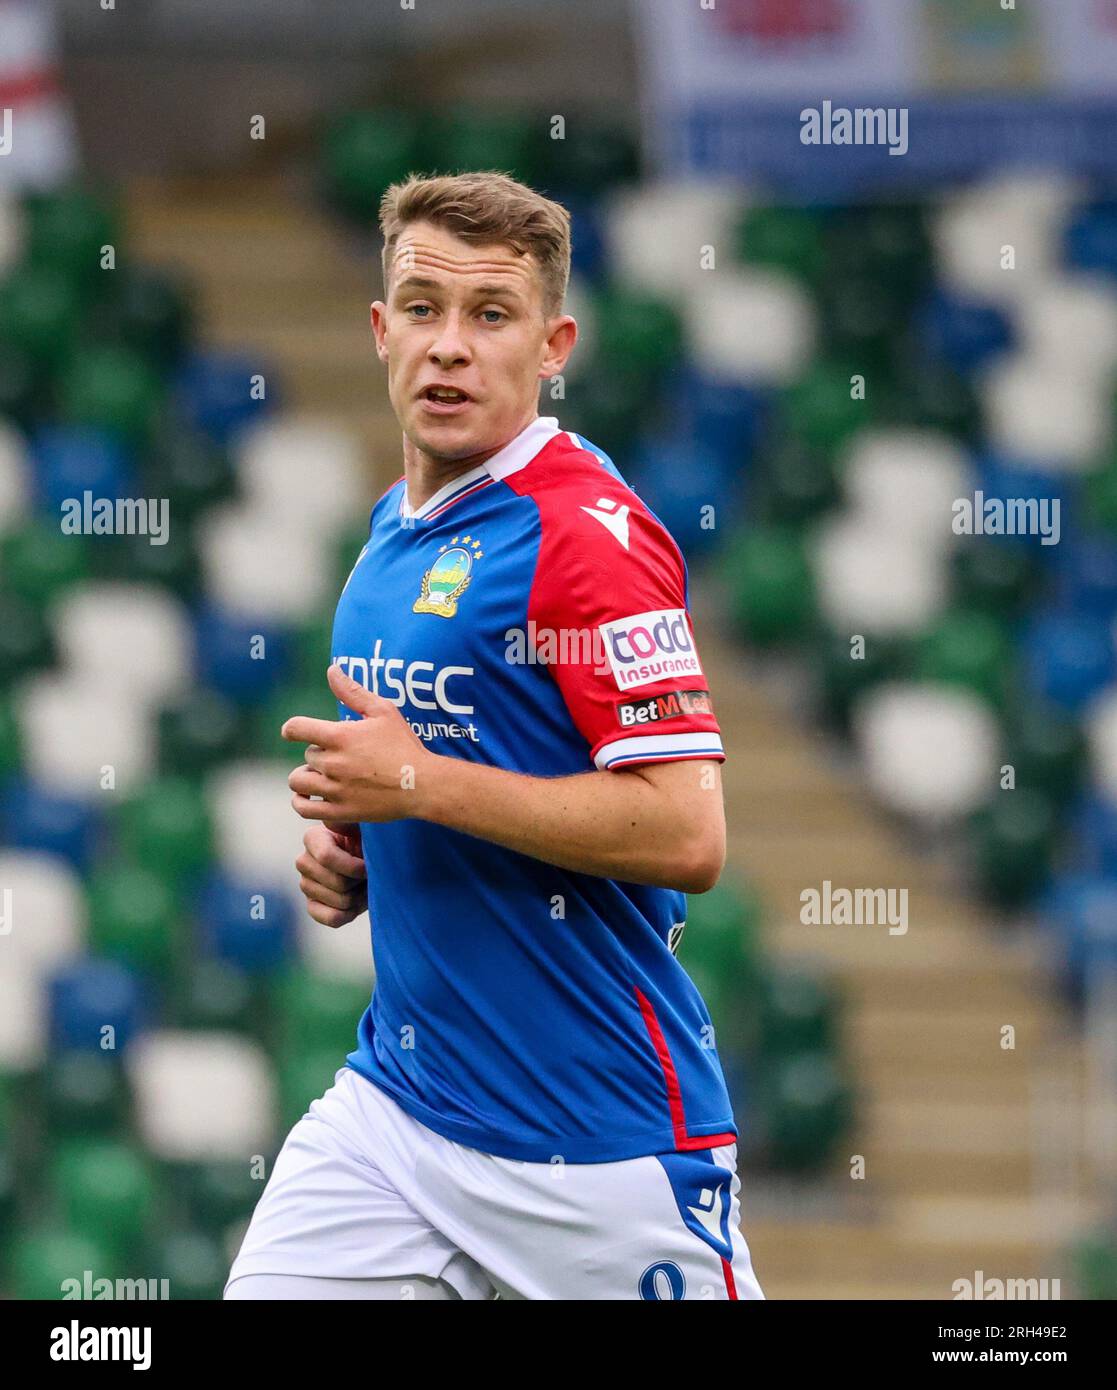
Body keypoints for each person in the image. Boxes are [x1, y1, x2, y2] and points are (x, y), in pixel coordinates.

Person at [224, 170, 764, 1301]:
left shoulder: (586, 537)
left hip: (595, 1145)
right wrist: (369, 855)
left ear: (553, 343)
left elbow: (685, 833)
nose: (449, 347)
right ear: (381, 330)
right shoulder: (391, 530)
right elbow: (476, 766)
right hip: (400, 1114)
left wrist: (415, 785)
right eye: (423, 309)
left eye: (491, 315)